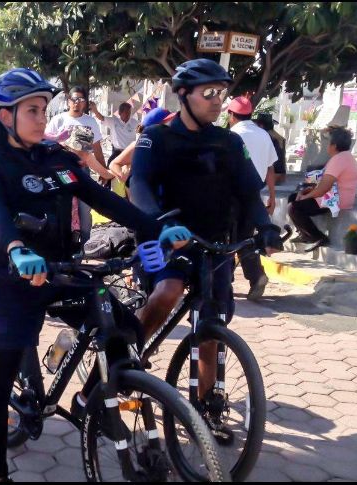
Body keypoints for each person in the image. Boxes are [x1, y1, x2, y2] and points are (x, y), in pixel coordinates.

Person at [0, 67, 191, 482]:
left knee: (126, 333)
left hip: (60, 271)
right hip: (8, 278)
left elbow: (105, 199)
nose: (40, 117)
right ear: (4, 115)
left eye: (42, 109)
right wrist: (15, 249)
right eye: (31, 110)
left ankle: (90, 400)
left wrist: (157, 228)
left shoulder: (57, 160)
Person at [126, 58, 283, 442]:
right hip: (168, 239)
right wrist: (160, 224)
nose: (217, 101)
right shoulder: (156, 137)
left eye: (222, 94)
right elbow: (140, 186)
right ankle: (129, 351)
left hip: (215, 243)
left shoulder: (229, 142)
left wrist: (265, 227)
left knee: (210, 327)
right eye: (208, 93)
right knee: (168, 291)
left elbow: (249, 191)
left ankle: (204, 409)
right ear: (183, 95)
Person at [227, 96, 278, 300]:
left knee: (226, 238)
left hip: (230, 196)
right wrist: (272, 197)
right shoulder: (264, 135)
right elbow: (270, 168)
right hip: (253, 196)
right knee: (246, 238)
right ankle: (256, 276)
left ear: (231, 115)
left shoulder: (230, 135)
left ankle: (225, 281)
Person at [288, 125, 357, 252]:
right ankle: (304, 234)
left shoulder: (339, 160)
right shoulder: (346, 157)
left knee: (295, 207)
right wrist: (307, 192)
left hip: (335, 201)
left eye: (327, 142)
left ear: (334, 146)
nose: (326, 145)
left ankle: (318, 237)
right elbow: (323, 183)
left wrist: (305, 196)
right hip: (337, 198)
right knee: (294, 197)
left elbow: (323, 188)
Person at [46, 86, 107, 174]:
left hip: (83, 169)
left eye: (81, 99)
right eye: (74, 99)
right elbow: (47, 143)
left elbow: (97, 148)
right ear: (68, 102)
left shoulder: (91, 121)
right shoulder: (58, 120)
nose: (77, 102)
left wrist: (103, 171)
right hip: (61, 167)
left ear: (85, 103)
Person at [108, 107, 172, 188]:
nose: (172, 126)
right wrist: (128, 181)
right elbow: (114, 164)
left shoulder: (171, 144)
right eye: (168, 123)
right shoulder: (139, 146)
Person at [255, 113, 287, 184]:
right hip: (281, 176)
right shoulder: (278, 137)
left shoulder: (266, 138)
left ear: (261, 126)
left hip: (271, 177)